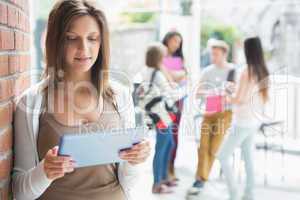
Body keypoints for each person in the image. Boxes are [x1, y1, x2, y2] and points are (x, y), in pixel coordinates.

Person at [12, 1, 150, 200]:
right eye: (71, 38)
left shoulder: (120, 95)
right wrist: (45, 172)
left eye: (93, 38)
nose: (83, 49)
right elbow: (19, 192)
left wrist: (135, 160)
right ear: (56, 41)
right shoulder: (32, 102)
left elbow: (128, 183)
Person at [218, 37, 270, 200]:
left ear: (248, 51)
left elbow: (239, 99)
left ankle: (233, 194)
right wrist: (236, 92)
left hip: (242, 121)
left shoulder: (247, 71)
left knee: (222, 156)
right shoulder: (262, 70)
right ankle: (249, 194)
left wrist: (226, 96)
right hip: (254, 120)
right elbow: (253, 96)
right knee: (248, 157)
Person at [187, 39, 235, 196]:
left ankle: (202, 178)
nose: (213, 56)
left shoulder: (233, 71)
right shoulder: (207, 71)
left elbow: (234, 94)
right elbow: (198, 92)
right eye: (212, 54)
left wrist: (224, 94)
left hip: (225, 114)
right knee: (203, 146)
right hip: (208, 112)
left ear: (224, 54)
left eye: (216, 54)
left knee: (214, 148)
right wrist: (213, 93)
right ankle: (200, 179)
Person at [140, 43, 186, 194]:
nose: (165, 58)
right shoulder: (157, 74)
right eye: (163, 55)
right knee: (163, 146)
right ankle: (157, 183)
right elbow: (170, 95)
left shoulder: (147, 71)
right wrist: (185, 91)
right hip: (162, 115)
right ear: (158, 57)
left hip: (158, 114)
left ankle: (164, 178)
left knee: (169, 143)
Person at [161, 31, 187, 183]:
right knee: (165, 137)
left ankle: (171, 169)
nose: (176, 44)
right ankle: (162, 172)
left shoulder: (179, 58)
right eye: (174, 40)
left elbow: (183, 76)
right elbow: (169, 78)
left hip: (178, 100)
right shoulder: (160, 57)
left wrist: (176, 74)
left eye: (179, 42)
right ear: (167, 40)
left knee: (175, 136)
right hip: (164, 102)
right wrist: (178, 74)